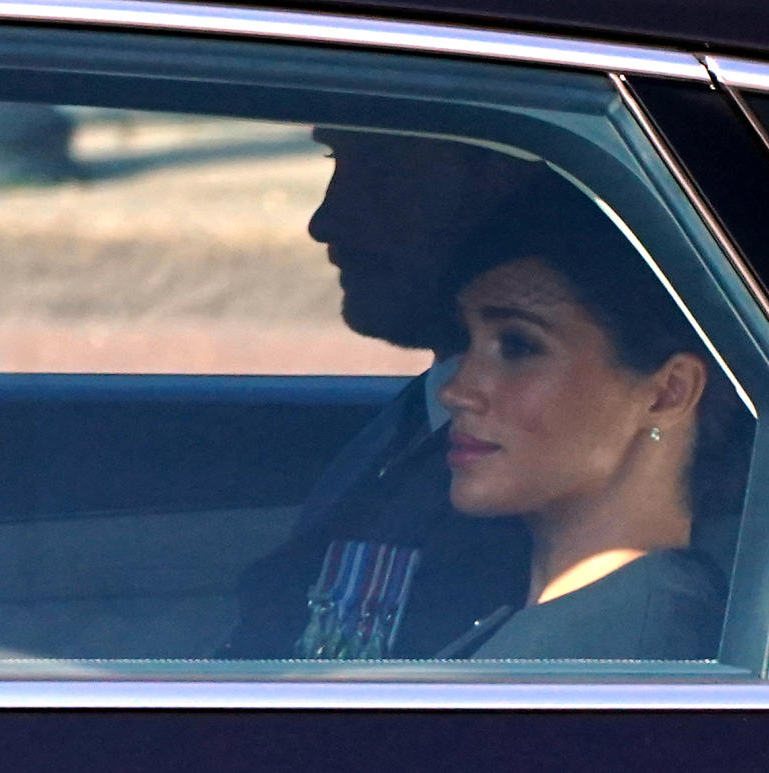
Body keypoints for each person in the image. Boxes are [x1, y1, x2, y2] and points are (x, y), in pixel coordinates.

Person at [217, 129, 540, 659]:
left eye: (382, 174)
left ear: (506, 187)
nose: (326, 221)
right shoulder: (423, 417)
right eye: (337, 160)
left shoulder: (519, 498)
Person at [433, 171, 750, 659]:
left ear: (667, 393)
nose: (455, 392)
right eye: (465, 343)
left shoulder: (617, 662)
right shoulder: (574, 626)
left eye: (518, 346)